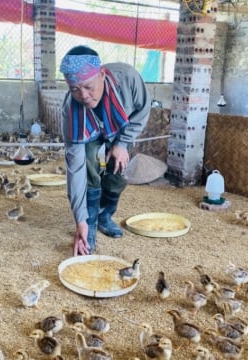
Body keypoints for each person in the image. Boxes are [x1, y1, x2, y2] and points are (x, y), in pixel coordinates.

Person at [59, 45, 151, 256]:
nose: (83, 95)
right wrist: (80, 220)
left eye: (88, 86)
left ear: (101, 75)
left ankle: (105, 215)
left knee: (117, 166)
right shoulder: (70, 113)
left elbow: (143, 109)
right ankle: (90, 223)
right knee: (89, 161)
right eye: (74, 89)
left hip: (120, 125)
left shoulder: (128, 79)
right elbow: (75, 170)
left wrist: (122, 143)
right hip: (87, 129)